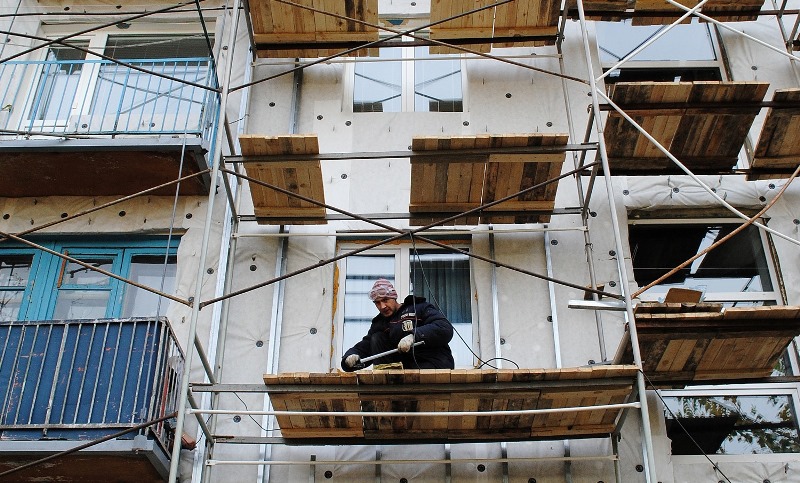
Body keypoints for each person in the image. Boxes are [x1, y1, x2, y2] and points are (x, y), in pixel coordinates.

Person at [341, 278, 455, 371]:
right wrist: (349, 358)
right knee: (377, 337)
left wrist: (414, 336)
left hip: (434, 366)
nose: (382, 306)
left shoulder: (419, 308)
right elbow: (365, 346)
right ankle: (387, 381)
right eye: (377, 303)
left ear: (394, 297)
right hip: (404, 374)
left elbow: (444, 327)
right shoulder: (380, 323)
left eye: (385, 300)